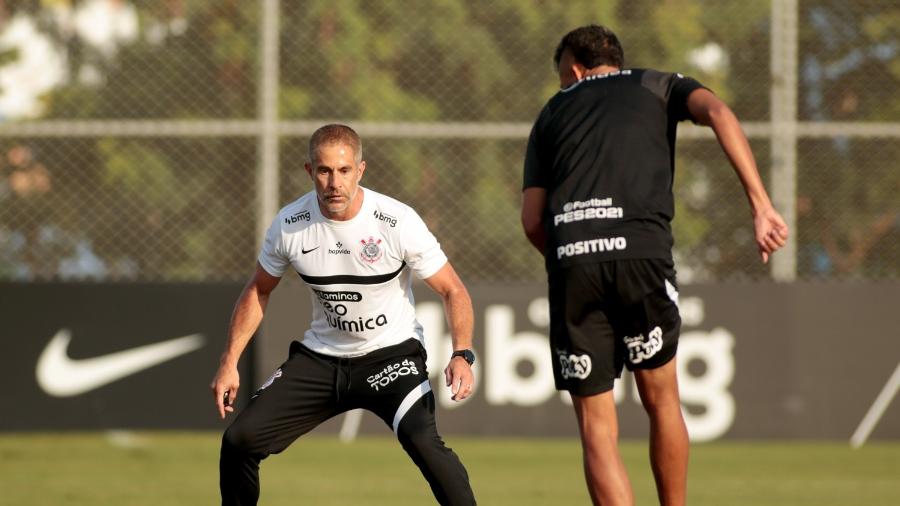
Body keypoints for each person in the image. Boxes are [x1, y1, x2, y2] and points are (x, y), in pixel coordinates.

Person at [521, 25, 788, 506]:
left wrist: (570, 259)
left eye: (564, 75)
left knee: (596, 426)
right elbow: (720, 113)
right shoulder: (658, 84)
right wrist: (761, 204)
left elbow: (532, 220)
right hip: (641, 255)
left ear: (577, 68)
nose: (566, 84)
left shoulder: (551, 113)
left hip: (573, 258)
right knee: (662, 400)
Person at [211, 124, 478, 505]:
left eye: (344, 170)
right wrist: (229, 361)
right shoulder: (290, 225)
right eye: (324, 171)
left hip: (391, 355)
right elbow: (258, 290)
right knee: (239, 441)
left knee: (423, 440)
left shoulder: (396, 221)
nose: (334, 182)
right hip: (321, 360)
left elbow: (454, 289)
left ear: (360, 170)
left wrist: (462, 353)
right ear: (309, 172)